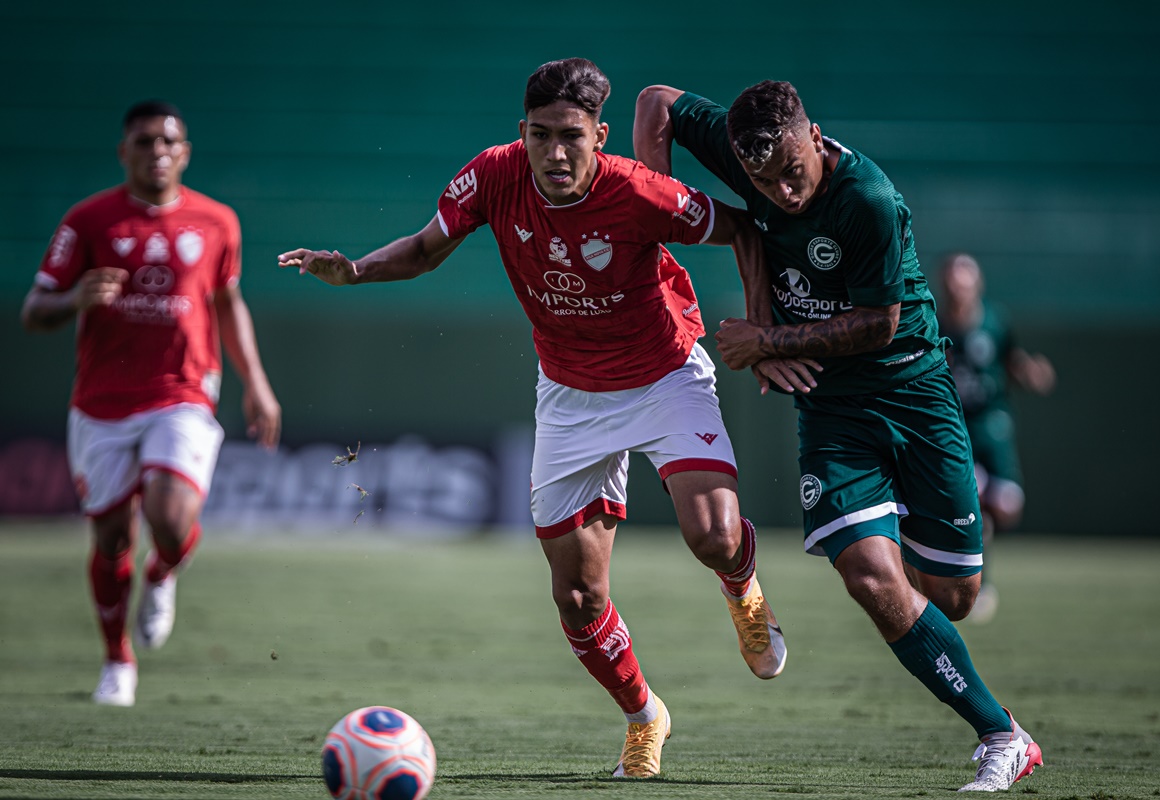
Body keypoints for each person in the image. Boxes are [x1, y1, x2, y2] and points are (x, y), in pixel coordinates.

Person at [279, 58, 798, 779]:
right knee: (578, 595)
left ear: (600, 136)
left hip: (664, 376)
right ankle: (645, 717)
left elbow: (744, 231)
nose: (556, 152)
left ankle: (744, 592)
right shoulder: (492, 176)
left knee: (712, 535)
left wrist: (765, 333)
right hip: (569, 396)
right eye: (542, 135)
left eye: (572, 138)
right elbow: (428, 249)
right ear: (521, 133)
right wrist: (357, 270)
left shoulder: (638, 190)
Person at [634, 80, 1043, 792]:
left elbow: (878, 324)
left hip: (915, 391)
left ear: (814, 137)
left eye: (793, 171)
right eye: (765, 180)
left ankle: (918, 605)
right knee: (868, 577)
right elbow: (655, 102)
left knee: (954, 598)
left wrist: (767, 338)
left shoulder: (868, 199)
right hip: (830, 405)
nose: (783, 192)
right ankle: (1002, 734)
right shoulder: (747, 153)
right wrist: (659, 212)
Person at [21, 100, 282, 708]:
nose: (157, 151)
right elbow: (35, 312)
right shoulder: (89, 221)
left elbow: (227, 304)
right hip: (102, 402)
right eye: (144, 142)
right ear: (124, 152)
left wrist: (258, 384)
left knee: (169, 520)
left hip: (183, 393)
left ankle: (162, 572)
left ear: (185, 152)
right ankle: (118, 660)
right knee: (111, 538)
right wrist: (75, 300)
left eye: (169, 141)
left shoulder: (216, 221)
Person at [938, 252, 1055, 623]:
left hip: (994, 424)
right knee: (974, 505)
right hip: (958, 428)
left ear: (977, 284)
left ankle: (979, 526)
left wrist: (1031, 373)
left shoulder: (994, 322)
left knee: (1005, 506)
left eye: (965, 280)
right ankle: (977, 584)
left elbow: (1012, 362)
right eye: (953, 281)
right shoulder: (936, 325)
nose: (959, 288)